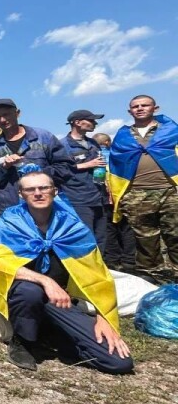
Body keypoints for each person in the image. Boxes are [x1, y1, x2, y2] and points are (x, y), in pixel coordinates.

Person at [0, 172, 133, 374]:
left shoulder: (72, 226)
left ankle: (55, 335)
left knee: (118, 362)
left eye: (44, 188)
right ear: (21, 194)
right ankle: (23, 341)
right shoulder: (8, 223)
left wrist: (103, 316)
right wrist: (46, 281)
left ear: (54, 191)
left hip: (59, 301)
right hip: (23, 296)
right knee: (30, 292)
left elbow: (98, 275)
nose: (37, 193)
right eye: (30, 189)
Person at [108, 95, 178, 279]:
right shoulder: (123, 136)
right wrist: (115, 193)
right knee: (145, 241)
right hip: (136, 194)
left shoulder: (171, 130)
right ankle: (153, 281)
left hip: (171, 191)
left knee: (175, 237)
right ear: (129, 111)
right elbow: (114, 165)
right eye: (135, 106)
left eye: (144, 105)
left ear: (155, 108)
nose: (140, 108)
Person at [0, 98, 74, 212]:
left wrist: (37, 174)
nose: (3, 119)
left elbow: (66, 168)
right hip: (13, 211)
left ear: (17, 113)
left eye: (6, 114)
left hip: (47, 207)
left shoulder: (43, 137)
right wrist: (4, 167)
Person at [60, 110, 109, 255]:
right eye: (91, 120)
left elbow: (98, 167)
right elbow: (58, 170)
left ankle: (101, 268)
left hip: (99, 196)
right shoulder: (63, 145)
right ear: (77, 122)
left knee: (101, 236)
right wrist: (85, 165)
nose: (95, 123)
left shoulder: (93, 143)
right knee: (84, 237)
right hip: (78, 198)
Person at [94, 133, 136, 270]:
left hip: (104, 198)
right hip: (123, 195)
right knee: (126, 228)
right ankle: (129, 260)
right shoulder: (119, 155)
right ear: (107, 142)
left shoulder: (95, 157)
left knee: (109, 229)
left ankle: (112, 260)